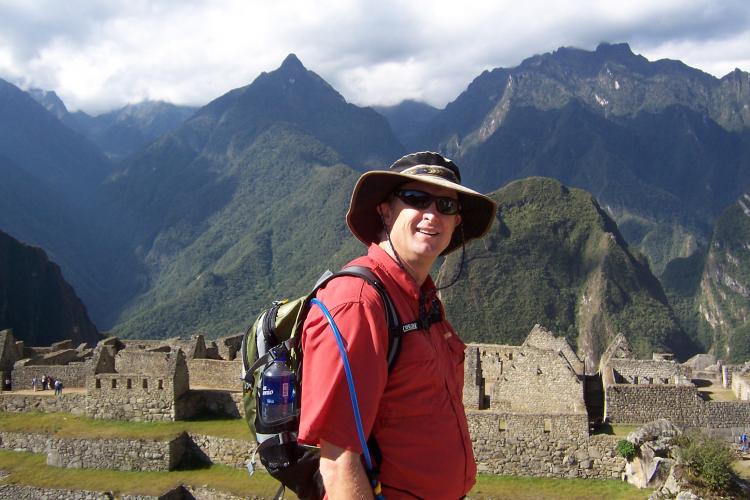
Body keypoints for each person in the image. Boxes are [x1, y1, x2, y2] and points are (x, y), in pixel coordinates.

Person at [298, 152, 496, 499]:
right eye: (417, 199)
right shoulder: (359, 303)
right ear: (385, 211)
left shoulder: (423, 300)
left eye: (446, 205)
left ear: (456, 221)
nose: (432, 214)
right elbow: (338, 460)